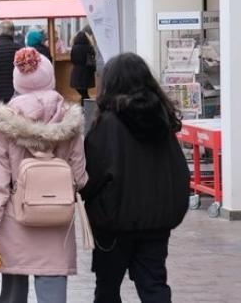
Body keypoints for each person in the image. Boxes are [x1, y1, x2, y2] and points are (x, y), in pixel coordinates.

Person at [0, 48, 87, 303]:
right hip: (57, 221)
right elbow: (80, 177)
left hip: (15, 219)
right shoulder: (70, 122)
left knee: (13, 292)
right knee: (53, 293)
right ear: (50, 78)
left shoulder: (2, 125)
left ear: (18, 82)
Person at [81, 53, 189, 303]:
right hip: (157, 221)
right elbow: (180, 171)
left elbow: (92, 176)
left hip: (114, 222)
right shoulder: (162, 121)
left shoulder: (107, 124)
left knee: (107, 288)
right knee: (154, 284)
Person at [69, 28, 97, 102]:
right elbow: (93, 57)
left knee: (80, 89)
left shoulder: (74, 48)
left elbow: (72, 60)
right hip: (87, 71)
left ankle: (85, 102)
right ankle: (86, 102)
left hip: (77, 71)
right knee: (85, 90)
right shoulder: (90, 47)